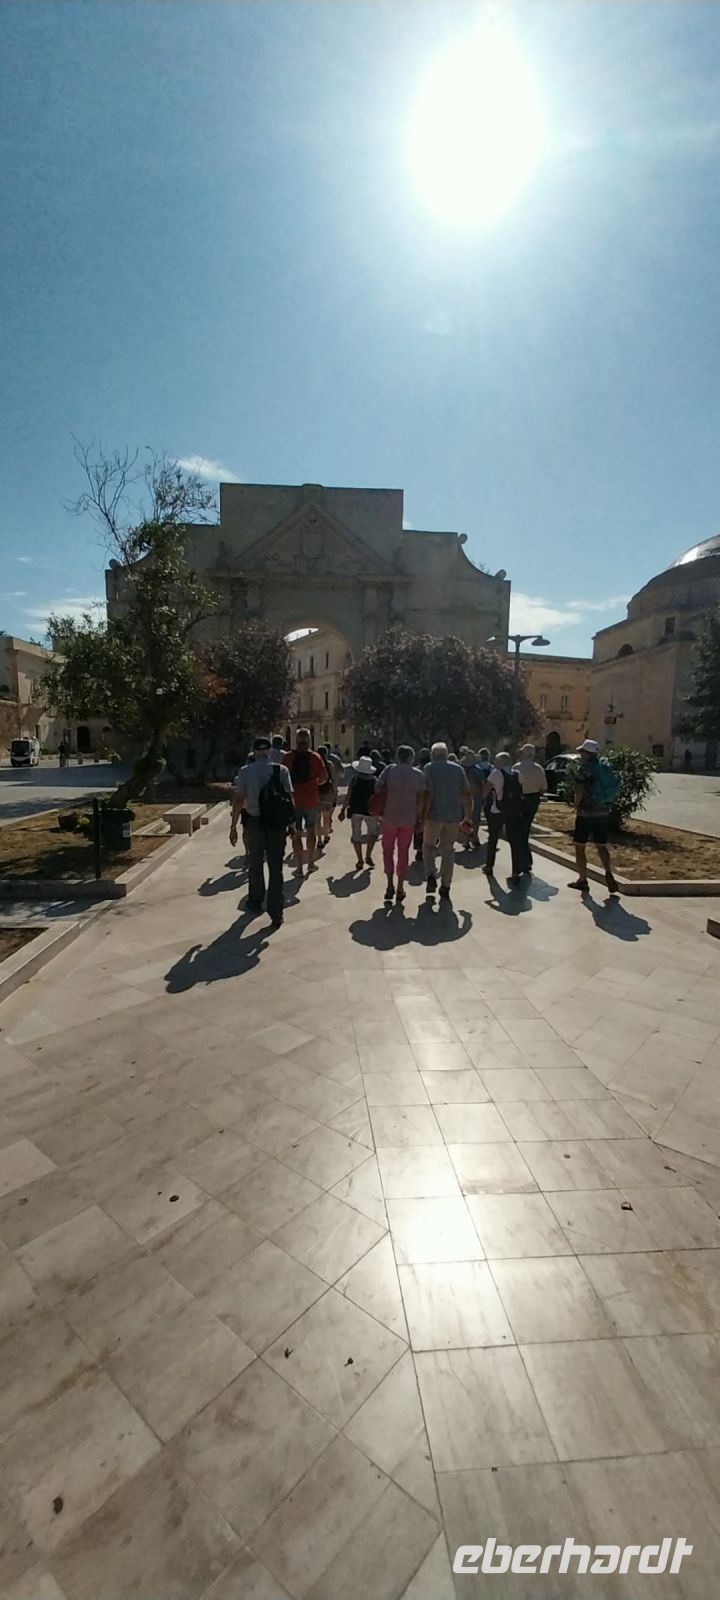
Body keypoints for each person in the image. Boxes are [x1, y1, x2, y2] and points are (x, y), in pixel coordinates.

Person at [230, 737, 294, 926]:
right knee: (276, 866)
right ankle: (276, 911)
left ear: (254, 751)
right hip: (276, 823)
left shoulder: (245, 772)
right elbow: (290, 798)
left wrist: (233, 826)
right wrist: (292, 824)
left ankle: (256, 901)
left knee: (256, 862)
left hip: (255, 822)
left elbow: (239, 800)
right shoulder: (281, 770)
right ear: (269, 751)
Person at [419, 741, 472, 899]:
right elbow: (467, 794)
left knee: (428, 846)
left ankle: (430, 874)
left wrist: (421, 814)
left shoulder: (429, 768)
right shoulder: (458, 769)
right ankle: (446, 885)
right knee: (448, 850)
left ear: (433, 754)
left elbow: (425, 792)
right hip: (453, 816)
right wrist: (468, 817)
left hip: (433, 815)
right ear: (447, 754)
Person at [375, 744, 426, 904]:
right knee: (403, 852)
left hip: (389, 816)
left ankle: (389, 883)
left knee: (387, 850)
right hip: (408, 818)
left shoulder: (389, 770)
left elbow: (377, 788)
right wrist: (420, 818)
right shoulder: (418, 774)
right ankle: (400, 887)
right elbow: (421, 798)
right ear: (411, 758)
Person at [570, 738, 620, 895]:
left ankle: (582, 880)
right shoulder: (603, 767)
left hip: (585, 813)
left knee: (580, 846)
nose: (580, 754)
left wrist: (576, 804)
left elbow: (579, 790)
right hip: (602, 812)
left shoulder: (584, 769)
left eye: (581, 751)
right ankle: (608, 872)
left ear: (586, 753)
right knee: (601, 845)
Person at [283, 728, 326, 876]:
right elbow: (324, 778)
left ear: (296, 740)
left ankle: (299, 867)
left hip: (294, 800)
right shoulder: (315, 757)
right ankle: (311, 864)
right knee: (311, 830)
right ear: (309, 740)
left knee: (296, 833)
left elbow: (282, 779)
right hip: (311, 800)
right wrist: (314, 784)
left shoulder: (288, 758)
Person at [484, 752, 525, 883]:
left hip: (498, 809)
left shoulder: (496, 773)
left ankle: (489, 866)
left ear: (500, 762)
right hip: (513, 810)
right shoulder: (517, 774)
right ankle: (516, 872)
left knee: (493, 838)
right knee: (514, 841)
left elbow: (486, 790)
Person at [340, 753, 380, 868]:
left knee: (356, 836)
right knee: (372, 834)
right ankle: (368, 856)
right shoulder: (374, 780)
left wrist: (343, 809)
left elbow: (348, 796)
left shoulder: (354, 780)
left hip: (355, 810)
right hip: (370, 811)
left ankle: (360, 859)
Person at [513, 742, 548, 875]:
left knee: (519, 832)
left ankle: (523, 861)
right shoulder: (539, 769)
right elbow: (543, 789)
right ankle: (526, 860)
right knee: (525, 830)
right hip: (533, 801)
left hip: (520, 800)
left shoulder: (516, 768)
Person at [316, 743, 338, 847]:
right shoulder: (329, 765)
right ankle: (325, 835)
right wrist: (335, 794)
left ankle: (319, 839)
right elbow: (333, 780)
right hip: (327, 794)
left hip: (316, 794)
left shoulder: (314, 764)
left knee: (317, 819)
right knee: (326, 817)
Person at [413, 747, 432, 860]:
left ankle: (420, 849)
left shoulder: (416, 771)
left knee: (418, 825)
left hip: (417, 801)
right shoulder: (432, 771)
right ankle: (428, 848)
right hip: (430, 801)